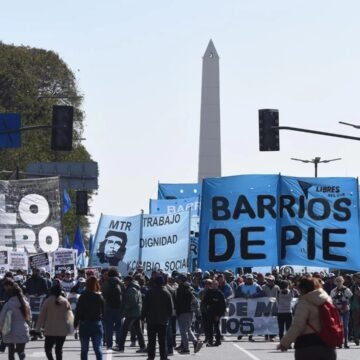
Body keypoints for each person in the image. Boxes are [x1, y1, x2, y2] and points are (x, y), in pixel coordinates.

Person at [278, 276, 337, 360]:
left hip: (307, 345)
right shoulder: (327, 299)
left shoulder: (304, 302)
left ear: (303, 289)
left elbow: (298, 325)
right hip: (328, 345)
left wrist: (285, 343)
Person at [36, 284, 72, 360]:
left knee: (47, 349)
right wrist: (71, 328)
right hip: (62, 330)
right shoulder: (65, 301)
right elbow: (70, 315)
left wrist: (38, 329)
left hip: (50, 330)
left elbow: (42, 316)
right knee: (59, 350)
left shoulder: (47, 301)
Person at [142, 275, 174, 360]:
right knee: (162, 341)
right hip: (163, 320)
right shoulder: (166, 292)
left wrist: (143, 316)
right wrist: (169, 317)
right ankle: (163, 357)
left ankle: (151, 357)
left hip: (151, 320)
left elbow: (145, 306)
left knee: (151, 341)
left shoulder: (149, 292)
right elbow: (170, 307)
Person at [74, 276, 104, 360]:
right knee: (97, 349)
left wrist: (75, 325)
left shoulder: (82, 297)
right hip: (96, 324)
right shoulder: (99, 297)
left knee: (84, 350)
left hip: (84, 324)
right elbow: (104, 311)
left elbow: (78, 312)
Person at [0, 280, 31, 360]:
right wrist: (29, 328)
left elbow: (1, 319)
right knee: (21, 351)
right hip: (23, 329)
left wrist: (1, 330)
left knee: (11, 352)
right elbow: (29, 318)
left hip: (10, 331)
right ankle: (21, 355)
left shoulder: (8, 305)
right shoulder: (26, 304)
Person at [115, 275, 146, 353]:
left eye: (125, 281)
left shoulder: (131, 289)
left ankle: (120, 347)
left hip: (132, 313)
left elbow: (132, 302)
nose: (124, 283)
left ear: (128, 281)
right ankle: (142, 346)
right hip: (136, 312)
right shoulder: (134, 287)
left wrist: (124, 310)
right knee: (138, 330)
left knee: (124, 329)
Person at [101, 267, 122, 350]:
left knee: (108, 326)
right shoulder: (120, 282)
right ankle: (118, 342)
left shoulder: (106, 283)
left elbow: (103, 295)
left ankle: (109, 344)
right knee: (118, 326)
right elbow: (124, 293)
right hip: (119, 307)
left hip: (108, 306)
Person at [330, 276, 352, 348]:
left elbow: (350, 297)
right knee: (339, 326)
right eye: (337, 281)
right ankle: (339, 342)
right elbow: (331, 300)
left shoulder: (347, 290)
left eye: (340, 281)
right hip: (337, 310)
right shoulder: (333, 291)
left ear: (343, 281)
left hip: (345, 310)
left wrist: (343, 300)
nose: (339, 282)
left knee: (345, 326)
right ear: (335, 282)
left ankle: (346, 342)